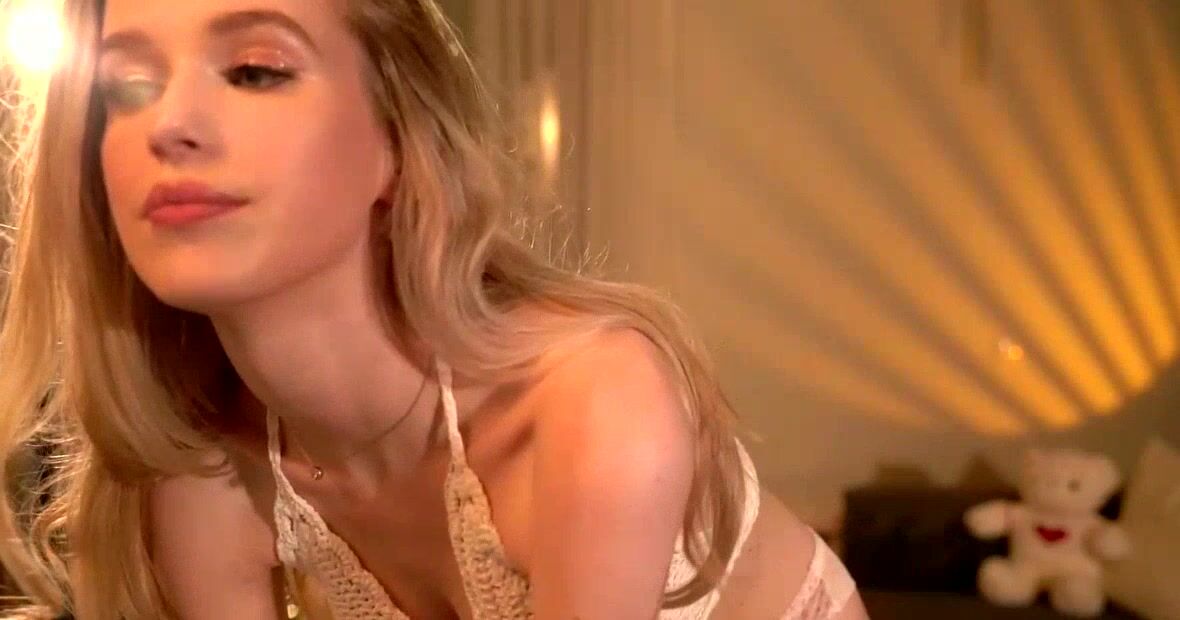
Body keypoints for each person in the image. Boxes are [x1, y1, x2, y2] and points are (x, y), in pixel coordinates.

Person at [0, 0, 868, 618]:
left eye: (256, 70)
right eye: (125, 87)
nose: (168, 124)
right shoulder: (207, 474)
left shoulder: (591, 400)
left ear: (397, 142)